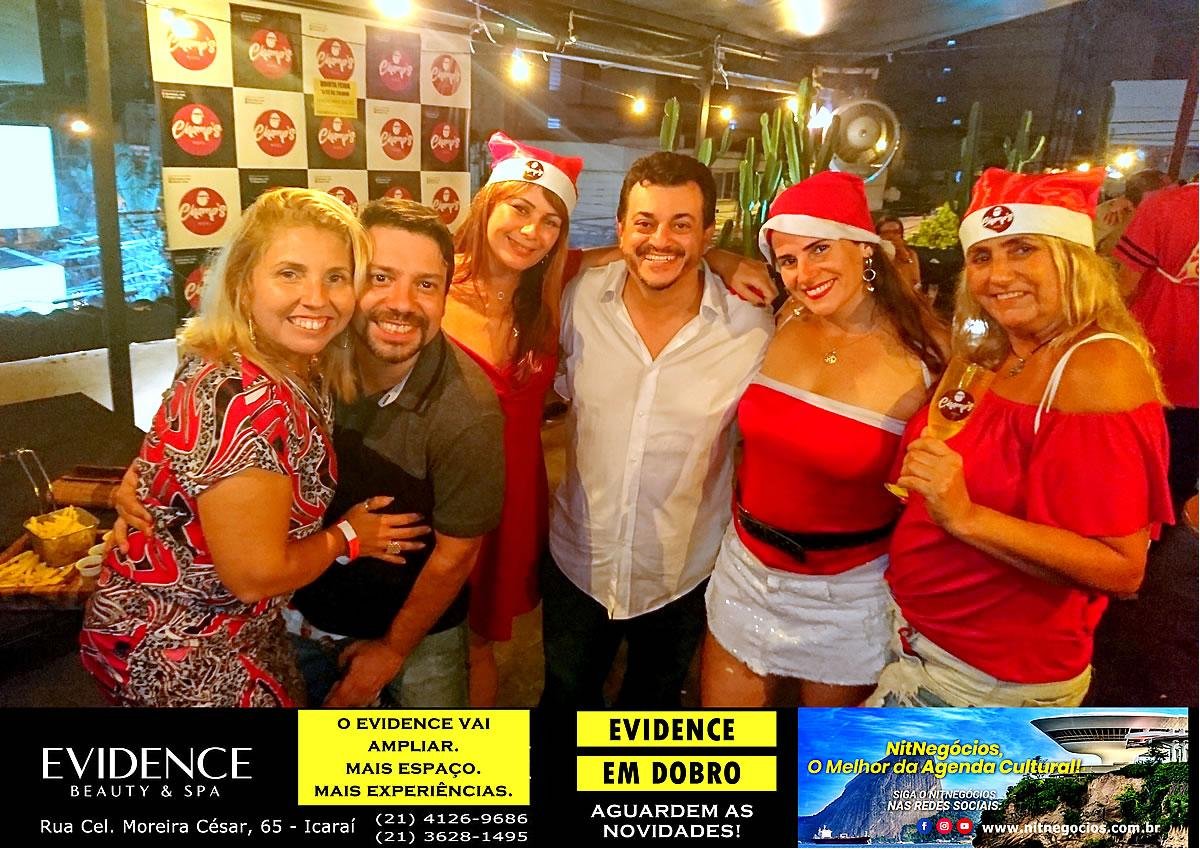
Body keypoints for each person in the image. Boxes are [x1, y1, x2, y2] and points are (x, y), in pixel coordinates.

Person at [81, 188, 420, 707]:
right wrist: (348, 535)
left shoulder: (291, 359)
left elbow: (177, 445)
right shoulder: (242, 398)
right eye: (290, 273)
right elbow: (256, 577)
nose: (317, 298)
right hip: (182, 646)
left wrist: (144, 478)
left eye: (335, 277)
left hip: (229, 626)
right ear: (243, 284)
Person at [869, 168, 1173, 708]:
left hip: (986, 679)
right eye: (982, 257)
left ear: (1073, 260)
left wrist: (965, 516)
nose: (998, 275)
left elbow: (1121, 567)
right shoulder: (1003, 349)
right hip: (923, 640)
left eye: (1023, 249)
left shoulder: (1095, 367)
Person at [701, 173, 946, 708]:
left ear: (864, 247)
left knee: (823, 754)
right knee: (727, 744)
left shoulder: (932, 356)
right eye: (788, 260)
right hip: (744, 569)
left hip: (847, 593)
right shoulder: (783, 316)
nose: (804, 274)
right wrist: (721, 256)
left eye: (819, 249)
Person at [542, 151, 773, 709]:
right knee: (565, 701)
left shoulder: (753, 329)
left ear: (708, 234)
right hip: (578, 563)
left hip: (681, 577)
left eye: (682, 225)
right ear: (620, 228)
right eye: (645, 222)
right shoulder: (577, 300)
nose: (660, 241)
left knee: (652, 715)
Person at [287, 199, 505, 708]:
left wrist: (391, 650)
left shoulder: (468, 413)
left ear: (446, 297)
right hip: (298, 614)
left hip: (418, 633)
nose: (402, 303)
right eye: (380, 277)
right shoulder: (304, 360)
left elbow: (456, 554)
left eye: (425, 284)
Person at [442, 132, 582, 707]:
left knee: (479, 645)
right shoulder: (432, 285)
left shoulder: (550, 289)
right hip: (439, 493)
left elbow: (632, 253)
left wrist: (722, 257)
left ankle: (477, 758)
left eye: (550, 221)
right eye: (519, 209)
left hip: (514, 497)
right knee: (420, 637)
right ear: (487, 206)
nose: (531, 231)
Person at [1113, 180, 1198, 514]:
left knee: (1133, 454)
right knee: (1182, 458)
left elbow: (1125, 286)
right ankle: (1169, 524)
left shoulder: (1164, 205)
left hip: (1153, 346)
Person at [875, 216, 922, 292]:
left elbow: (916, 282)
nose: (891, 236)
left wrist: (905, 257)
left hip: (905, 294)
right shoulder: (873, 253)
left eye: (896, 232)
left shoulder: (910, 254)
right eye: (886, 233)